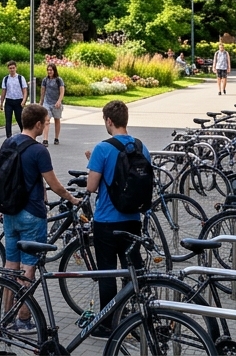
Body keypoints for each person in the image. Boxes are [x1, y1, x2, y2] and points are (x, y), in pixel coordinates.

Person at [2, 105, 84, 333]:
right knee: (29, 268)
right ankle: (23, 319)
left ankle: (5, 317)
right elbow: (54, 183)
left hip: (10, 213)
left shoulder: (9, 142)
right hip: (31, 214)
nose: (47, 124)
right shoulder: (39, 151)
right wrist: (71, 198)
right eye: (46, 121)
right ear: (37, 124)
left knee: (11, 266)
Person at [84, 100, 151, 334]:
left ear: (109, 121)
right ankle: (134, 316)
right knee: (132, 270)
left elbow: (91, 187)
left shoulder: (102, 149)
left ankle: (107, 324)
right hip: (133, 219)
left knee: (107, 273)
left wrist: (92, 163)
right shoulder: (142, 147)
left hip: (106, 221)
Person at [38, 63, 65, 146]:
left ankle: (56, 138)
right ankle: (45, 139)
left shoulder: (58, 80)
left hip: (56, 103)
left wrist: (59, 101)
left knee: (57, 119)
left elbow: (62, 91)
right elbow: (43, 92)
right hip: (47, 103)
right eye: (48, 70)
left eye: (51, 70)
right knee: (46, 120)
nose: (49, 72)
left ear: (54, 70)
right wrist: (41, 102)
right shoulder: (45, 80)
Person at [0, 61, 29, 137]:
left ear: (16, 68)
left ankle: (24, 135)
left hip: (18, 101)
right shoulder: (6, 79)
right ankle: (8, 137)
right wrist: (1, 103)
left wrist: (24, 100)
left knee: (19, 119)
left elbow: (25, 90)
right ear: (8, 69)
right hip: (9, 101)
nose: (12, 70)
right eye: (10, 68)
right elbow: (3, 91)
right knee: (8, 120)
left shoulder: (20, 78)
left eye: (13, 68)